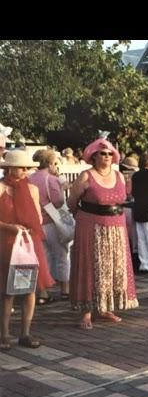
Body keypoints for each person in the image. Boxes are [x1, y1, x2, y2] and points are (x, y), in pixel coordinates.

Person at [67, 138, 139, 330]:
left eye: (109, 154)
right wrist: (82, 219)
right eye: (102, 153)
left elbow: (123, 199)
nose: (106, 157)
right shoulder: (86, 176)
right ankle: (87, 310)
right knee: (91, 266)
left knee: (113, 267)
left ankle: (106, 307)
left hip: (116, 225)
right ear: (94, 156)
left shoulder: (119, 176)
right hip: (91, 225)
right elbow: (72, 202)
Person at [0, 149, 55, 350]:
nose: (23, 171)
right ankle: (4, 334)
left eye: (25, 168)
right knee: (7, 291)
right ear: (9, 168)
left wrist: (28, 228)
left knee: (29, 289)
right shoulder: (1, 188)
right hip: (6, 244)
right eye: (19, 167)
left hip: (28, 243)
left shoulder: (31, 189)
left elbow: (38, 218)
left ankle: (25, 333)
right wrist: (10, 227)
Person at [29, 149, 71, 305]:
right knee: (62, 255)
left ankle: (43, 292)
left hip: (37, 223)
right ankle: (65, 290)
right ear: (51, 163)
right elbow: (59, 202)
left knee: (43, 258)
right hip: (53, 223)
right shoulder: (51, 180)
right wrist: (62, 187)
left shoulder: (30, 178)